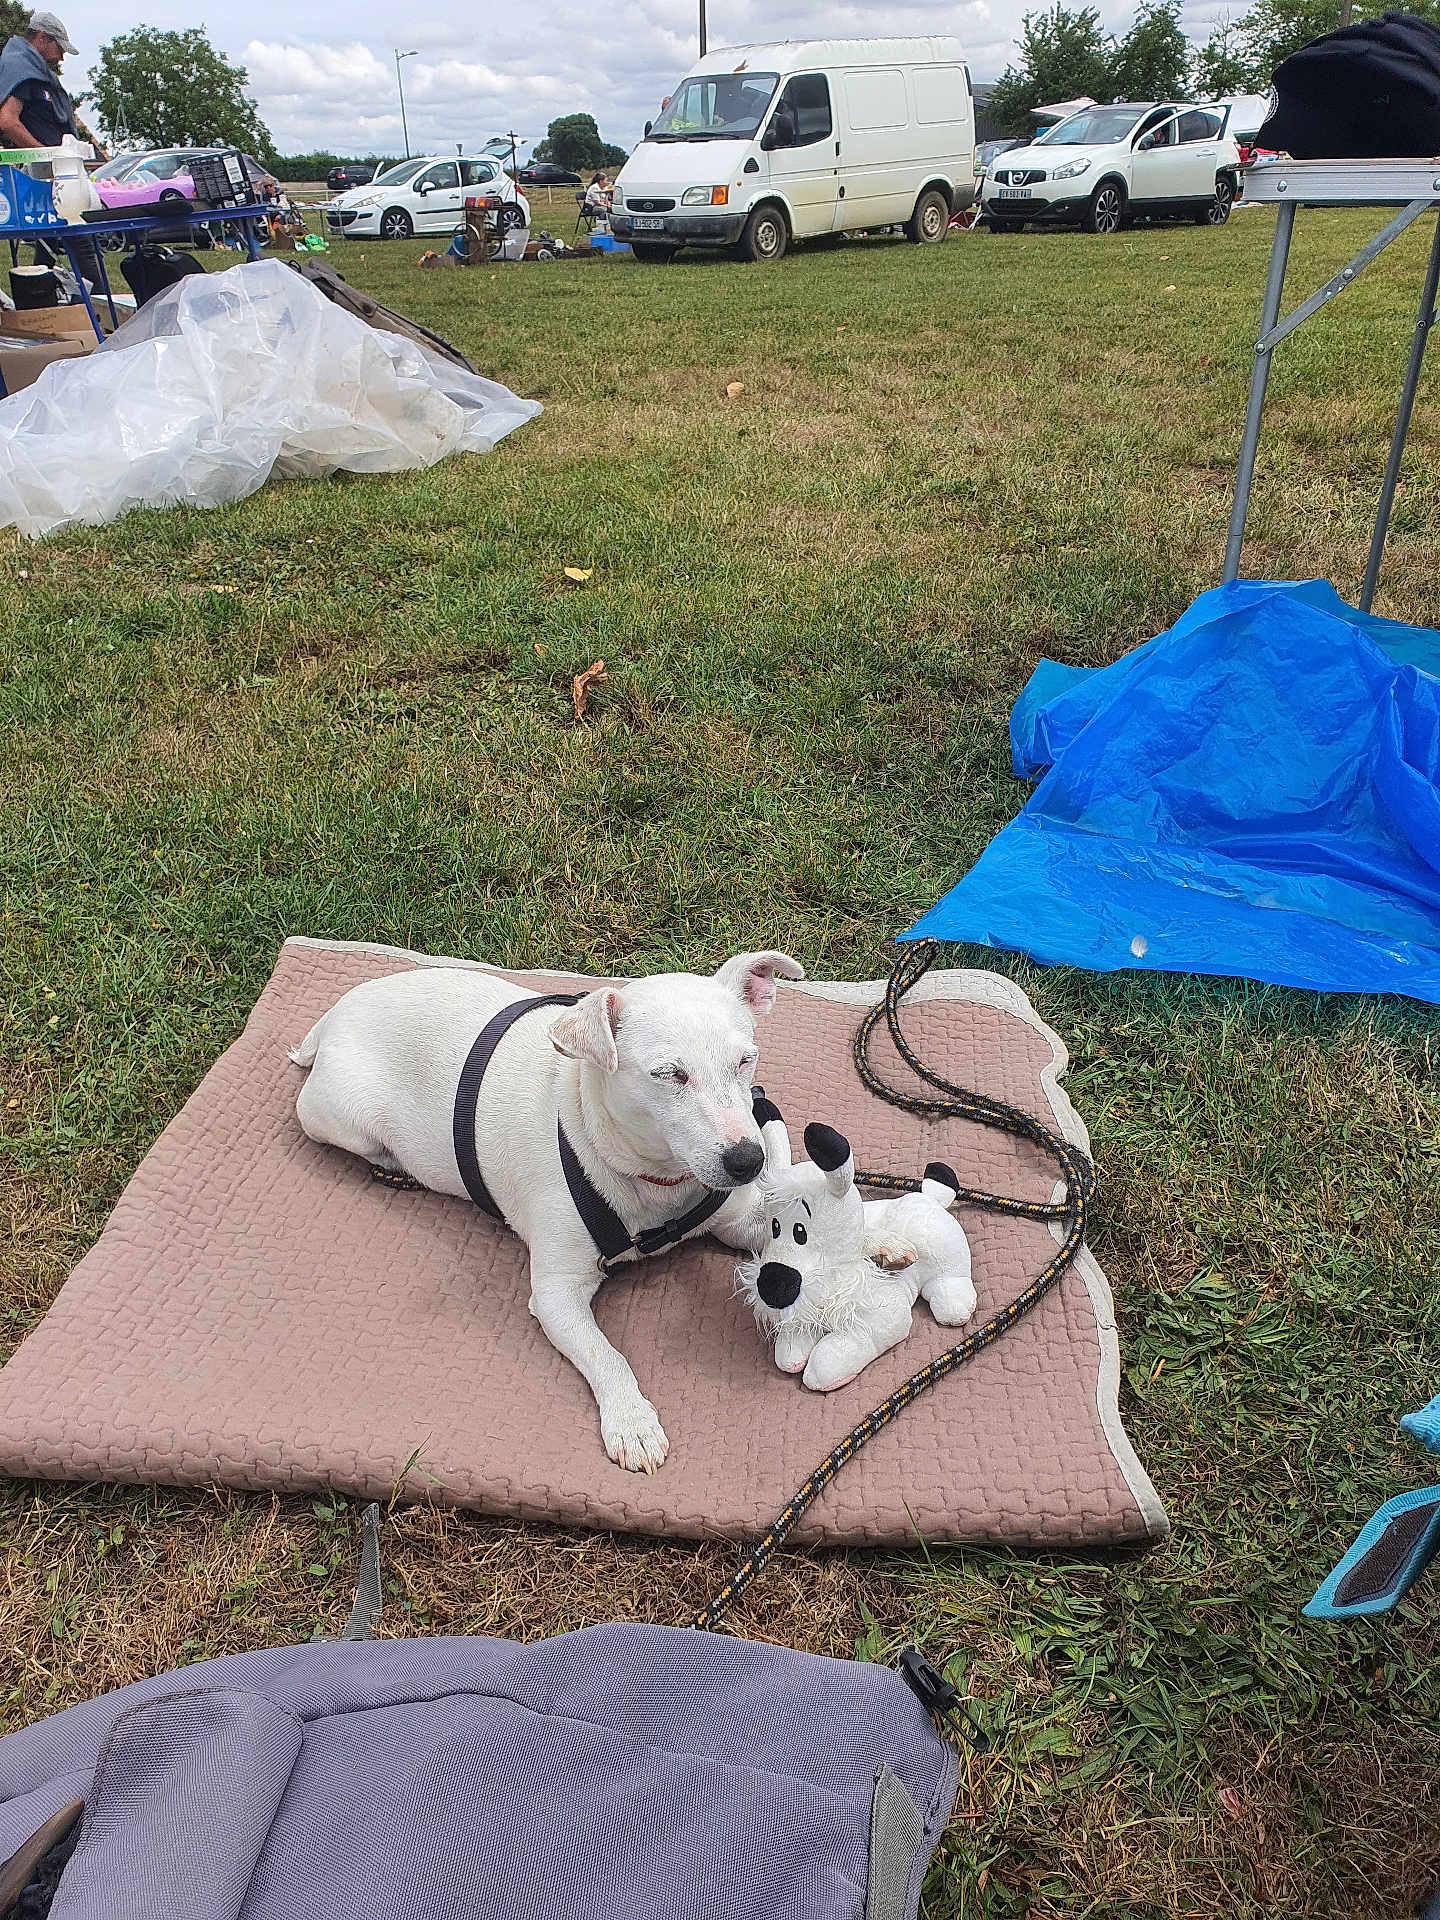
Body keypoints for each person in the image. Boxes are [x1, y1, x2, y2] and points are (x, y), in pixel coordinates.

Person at [0, 11, 79, 151]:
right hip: (40, 167)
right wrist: (47, 155)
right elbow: (7, 121)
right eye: (59, 48)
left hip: (52, 163)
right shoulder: (21, 68)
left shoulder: (38, 73)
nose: (61, 58)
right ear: (42, 38)